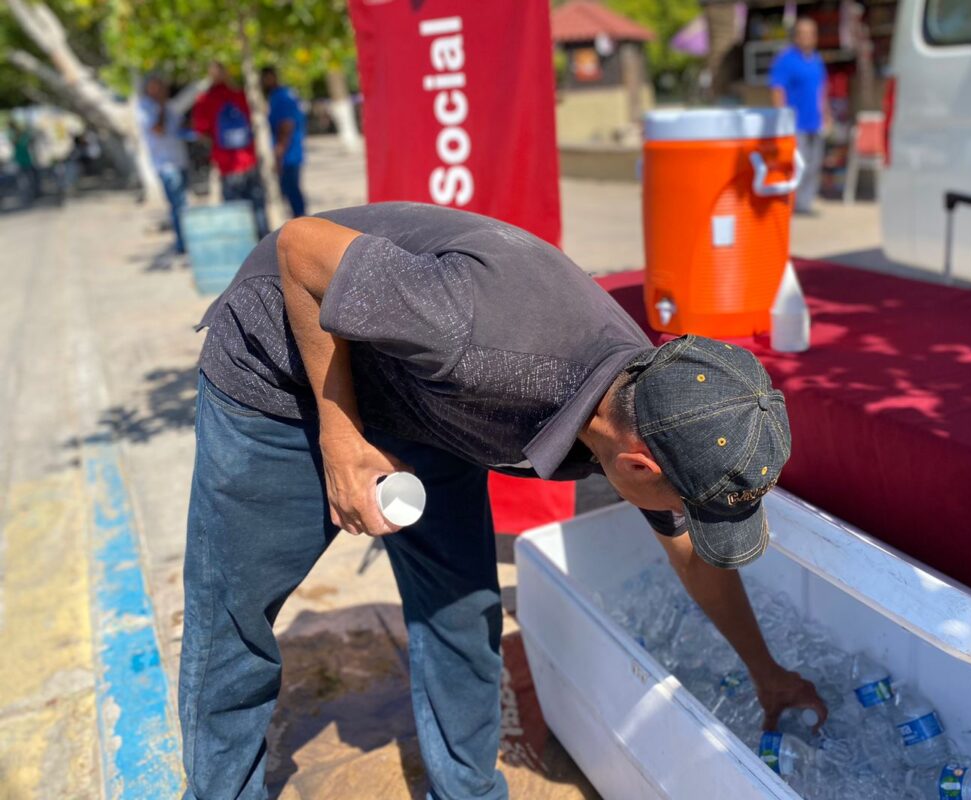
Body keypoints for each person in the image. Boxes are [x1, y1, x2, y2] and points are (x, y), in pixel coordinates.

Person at [182, 203, 827, 799]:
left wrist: (765, 672)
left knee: (462, 613)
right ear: (638, 464)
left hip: (424, 400)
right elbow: (301, 247)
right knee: (234, 615)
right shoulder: (476, 332)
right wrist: (342, 436)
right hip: (288, 367)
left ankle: (467, 793)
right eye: (690, 506)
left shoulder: (649, 405)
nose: (680, 519)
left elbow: (688, 553)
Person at [191, 62, 268, 237]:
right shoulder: (240, 95)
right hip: (249, 160)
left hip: (227, 165)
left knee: (237, 214)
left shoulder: (205, 100)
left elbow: (201, 132)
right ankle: (265, 245)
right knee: (258, 210)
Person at [769, 18, 831, 215]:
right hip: (795, 124)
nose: (807, 37)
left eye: (811, 33)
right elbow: (777, 89)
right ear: (795, 36)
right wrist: (782, 120)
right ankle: (791, 204)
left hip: (815, 122)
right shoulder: (785, 59)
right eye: (803, 33)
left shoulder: (816, 59)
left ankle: (805, 204)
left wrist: (826, 114)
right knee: (797, 166)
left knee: (813, 165)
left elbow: (822, 91)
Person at [137, 74, 190, 254]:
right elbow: (158, 129)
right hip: (165, 165)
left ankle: (187, 240)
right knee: (177, 206)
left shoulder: (170, 106)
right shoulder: (144, 108)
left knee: (183, 204)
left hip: (180, 160)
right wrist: (161, 107)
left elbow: (181, 128)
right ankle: (182, 244)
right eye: (158, 86)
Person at [261, 66, 307, 218]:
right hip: (290, 153)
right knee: (292, 193)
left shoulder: (281, 97)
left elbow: (287, 125)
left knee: (292, 195)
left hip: (288, 155)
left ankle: (303, 226)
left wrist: (278, 154)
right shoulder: (282, 95)